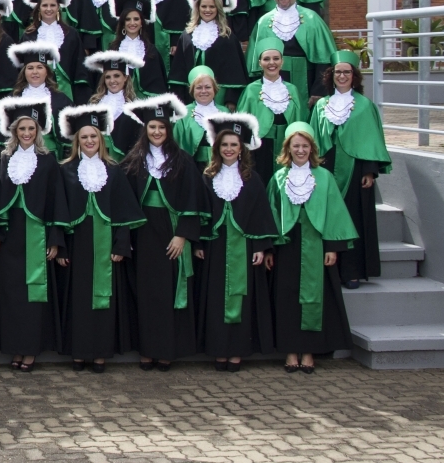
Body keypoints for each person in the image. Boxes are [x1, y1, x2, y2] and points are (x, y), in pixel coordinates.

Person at [54, 105, 144, 373]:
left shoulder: (114, 171)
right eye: (84, 137)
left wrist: (121, 245)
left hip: (106, 246)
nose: (89, 141)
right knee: (78, 299)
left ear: (101, 139)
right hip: (77, 245)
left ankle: (100, 354)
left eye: (93, 136)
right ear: (77, 141)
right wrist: (61, 247)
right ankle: (79, 353)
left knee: (104, 300)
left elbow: (124, 212)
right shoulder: (65, 170)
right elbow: (59, 211)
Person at [119, 94, 203, 370]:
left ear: (169, 130)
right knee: (145, 293)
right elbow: (124, 202)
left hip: (171, 234)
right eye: (152, 127)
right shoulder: (134, 160)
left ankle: (165, 351)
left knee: (168, 294)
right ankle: (147, 350)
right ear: (145, 129)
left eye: (161, 127)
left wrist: (182, 234)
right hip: (143, 234)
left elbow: (193, 199)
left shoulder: (183, 161)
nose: (156, 132)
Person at [267, 122, 358, 373]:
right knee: (287, 297)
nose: (300, 150)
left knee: (314, 299)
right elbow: (271, 214)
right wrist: (270, 249)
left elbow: (334, 213)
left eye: (305, 146)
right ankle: (290, 350)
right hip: (287, 245)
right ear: (288, 148)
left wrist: (331, 247)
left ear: (312, 148)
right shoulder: (278, 178)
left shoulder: (324, 177)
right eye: (296, 145)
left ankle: (308, 351)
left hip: (316, 245)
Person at [195, 113, 278, 371]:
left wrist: (261, 247)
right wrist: (198, 243)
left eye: (234, 144)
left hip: (244, 247)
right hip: (215, 247)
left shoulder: (253, 179)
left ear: (241, 148)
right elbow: (199, 212)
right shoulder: (207, 177)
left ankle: (237, 352)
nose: (229, 149)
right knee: (216, 298)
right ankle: (219, 351)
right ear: (217, 148)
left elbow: (261, 216)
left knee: (242, 298)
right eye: (225, 145)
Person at [0, 96, 69, 371]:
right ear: (14, 131)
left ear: (38, 131)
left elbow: (56, 201)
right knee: (12, 294)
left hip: (37, 235)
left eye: (31, 129)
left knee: (33, 296)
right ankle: (15, 348)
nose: (27, 133)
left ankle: (31, 350)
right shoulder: (5, 158)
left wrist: (55, 239)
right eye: (22, 129)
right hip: (11, 236)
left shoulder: (48, 161)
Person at [310, 52, 390, 289]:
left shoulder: (365, 106)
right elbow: (313, 138)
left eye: (347, 72)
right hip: (327, 167)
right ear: (331, 75)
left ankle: (352, 270)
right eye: (338, 72)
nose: (342, 76)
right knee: (327, 216)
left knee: (354, 217)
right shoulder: (321, 106)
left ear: (354, 76)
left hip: (356, 170)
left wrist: (369, 171)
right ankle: (328, 271)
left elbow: (372, 140)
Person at [245, 0, 337, 98]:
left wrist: (318, 91)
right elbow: (254, 63)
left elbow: (324, 60)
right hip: (271, 84)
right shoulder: (263, 22)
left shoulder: (312, 19)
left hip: (306, 82)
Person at [235, 44, 308, 186]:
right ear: (259, 63)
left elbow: (301, 118)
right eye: (266, 59)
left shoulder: (292, 90)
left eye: (276, 58)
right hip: (260, 148)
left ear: (282, 61)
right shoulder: (251, 90)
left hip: (287, 145)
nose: (271, 63)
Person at [168, 0, 246, 105]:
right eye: (204, 6)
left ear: (218, 9)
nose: (207, 10)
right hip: (190, 96)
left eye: (212, 7)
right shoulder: (186, 36)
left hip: (219, 99)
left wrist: (230, 101)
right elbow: (179, 71)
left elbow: (234, 74)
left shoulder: (228, 37)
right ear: (198, 8)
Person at [20, 0, 85, 101]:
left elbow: (79, 68)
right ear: (39, 8)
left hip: (66, 90)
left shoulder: (71, 34)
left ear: (58, 7)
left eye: (53, 5)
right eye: (45, 5)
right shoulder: (28, 35)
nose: (49, 9)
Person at [7, 43, 74, 153]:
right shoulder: (12, 99)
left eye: (39, 67)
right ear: (24, 72)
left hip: (50, 154)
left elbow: (69, 136)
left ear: (47, 71)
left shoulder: (61, 99)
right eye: (30, 68)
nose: (35, 72)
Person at [82, 50, 145, 156]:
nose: (112, 81)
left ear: (125, 78)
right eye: (108, 77)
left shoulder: (135, 106)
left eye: (116, 76)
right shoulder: (94, 103)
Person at [105, 0, 167, 97]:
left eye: (136, 19)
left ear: (142, 22)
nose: (132, 23)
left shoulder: (151, 50)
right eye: (128, 19)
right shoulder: (113, 49)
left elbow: (158, 85)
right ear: (123, 23)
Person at [172, 65, 226, 167]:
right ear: (193, 90)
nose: (203, 91)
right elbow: (176, 143)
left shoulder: (225, 112)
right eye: (199, 87)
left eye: (208, 87)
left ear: (214, 89)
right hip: (193, 166)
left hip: (221, 164)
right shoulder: (183, 113)